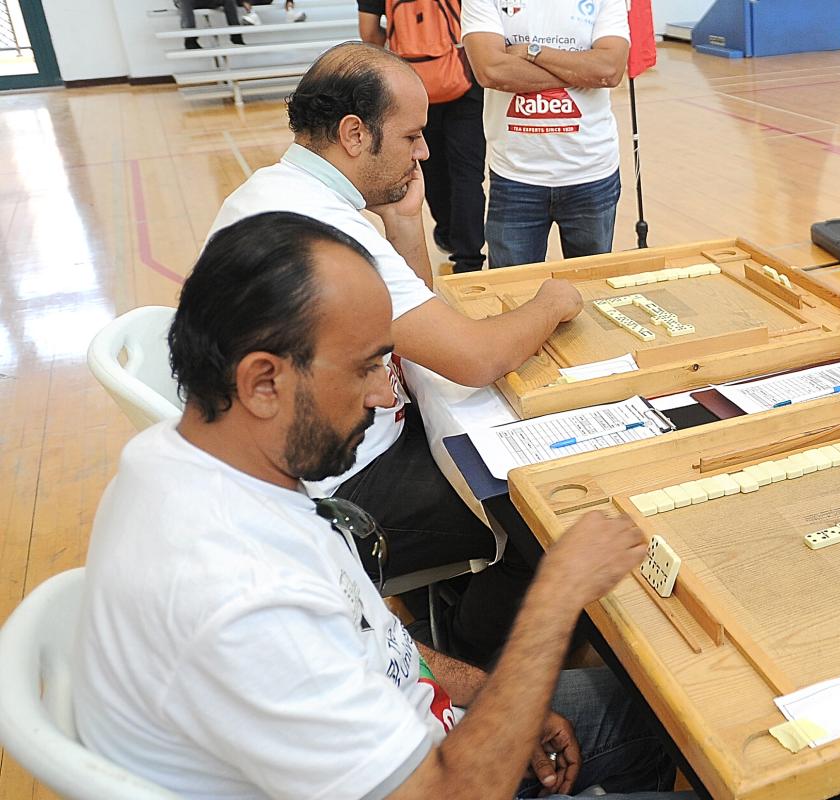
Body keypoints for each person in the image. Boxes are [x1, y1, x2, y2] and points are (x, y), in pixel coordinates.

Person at [72, 212, 685, 799]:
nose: (384, 395)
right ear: (263, 382)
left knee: (659, 716)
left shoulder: (187, 457)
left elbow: (367, 636)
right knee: (692, 738)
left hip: (423, 735)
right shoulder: (247, 600)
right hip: (446, 782)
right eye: (365, 368)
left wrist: (484, 688)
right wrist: (554, 598)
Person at [211, 42, 586, 663]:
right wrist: (550, 302)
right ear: (355, 134)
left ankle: (438, 598)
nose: (424, 152)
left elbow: (411, 321)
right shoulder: (327, 231)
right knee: (547, 523)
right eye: (412, 135)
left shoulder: (275, 191)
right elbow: (471, 357)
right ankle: (461, 656)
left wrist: (407, 223)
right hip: (337, 498)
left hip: (291, 471)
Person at [460, 0, 629, 267]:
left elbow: (608, 70)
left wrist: (532, 52)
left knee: (590, 285)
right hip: (515, 177)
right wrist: (581, 73)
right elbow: (491, 71)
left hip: (591, 173)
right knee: (514, 287)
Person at [360, 0, 488, 273]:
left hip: (413, 84)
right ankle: (468, 259)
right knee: (467, 173)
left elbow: (369, 34)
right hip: (464, 78)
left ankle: (447, 231)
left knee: (428, 163)